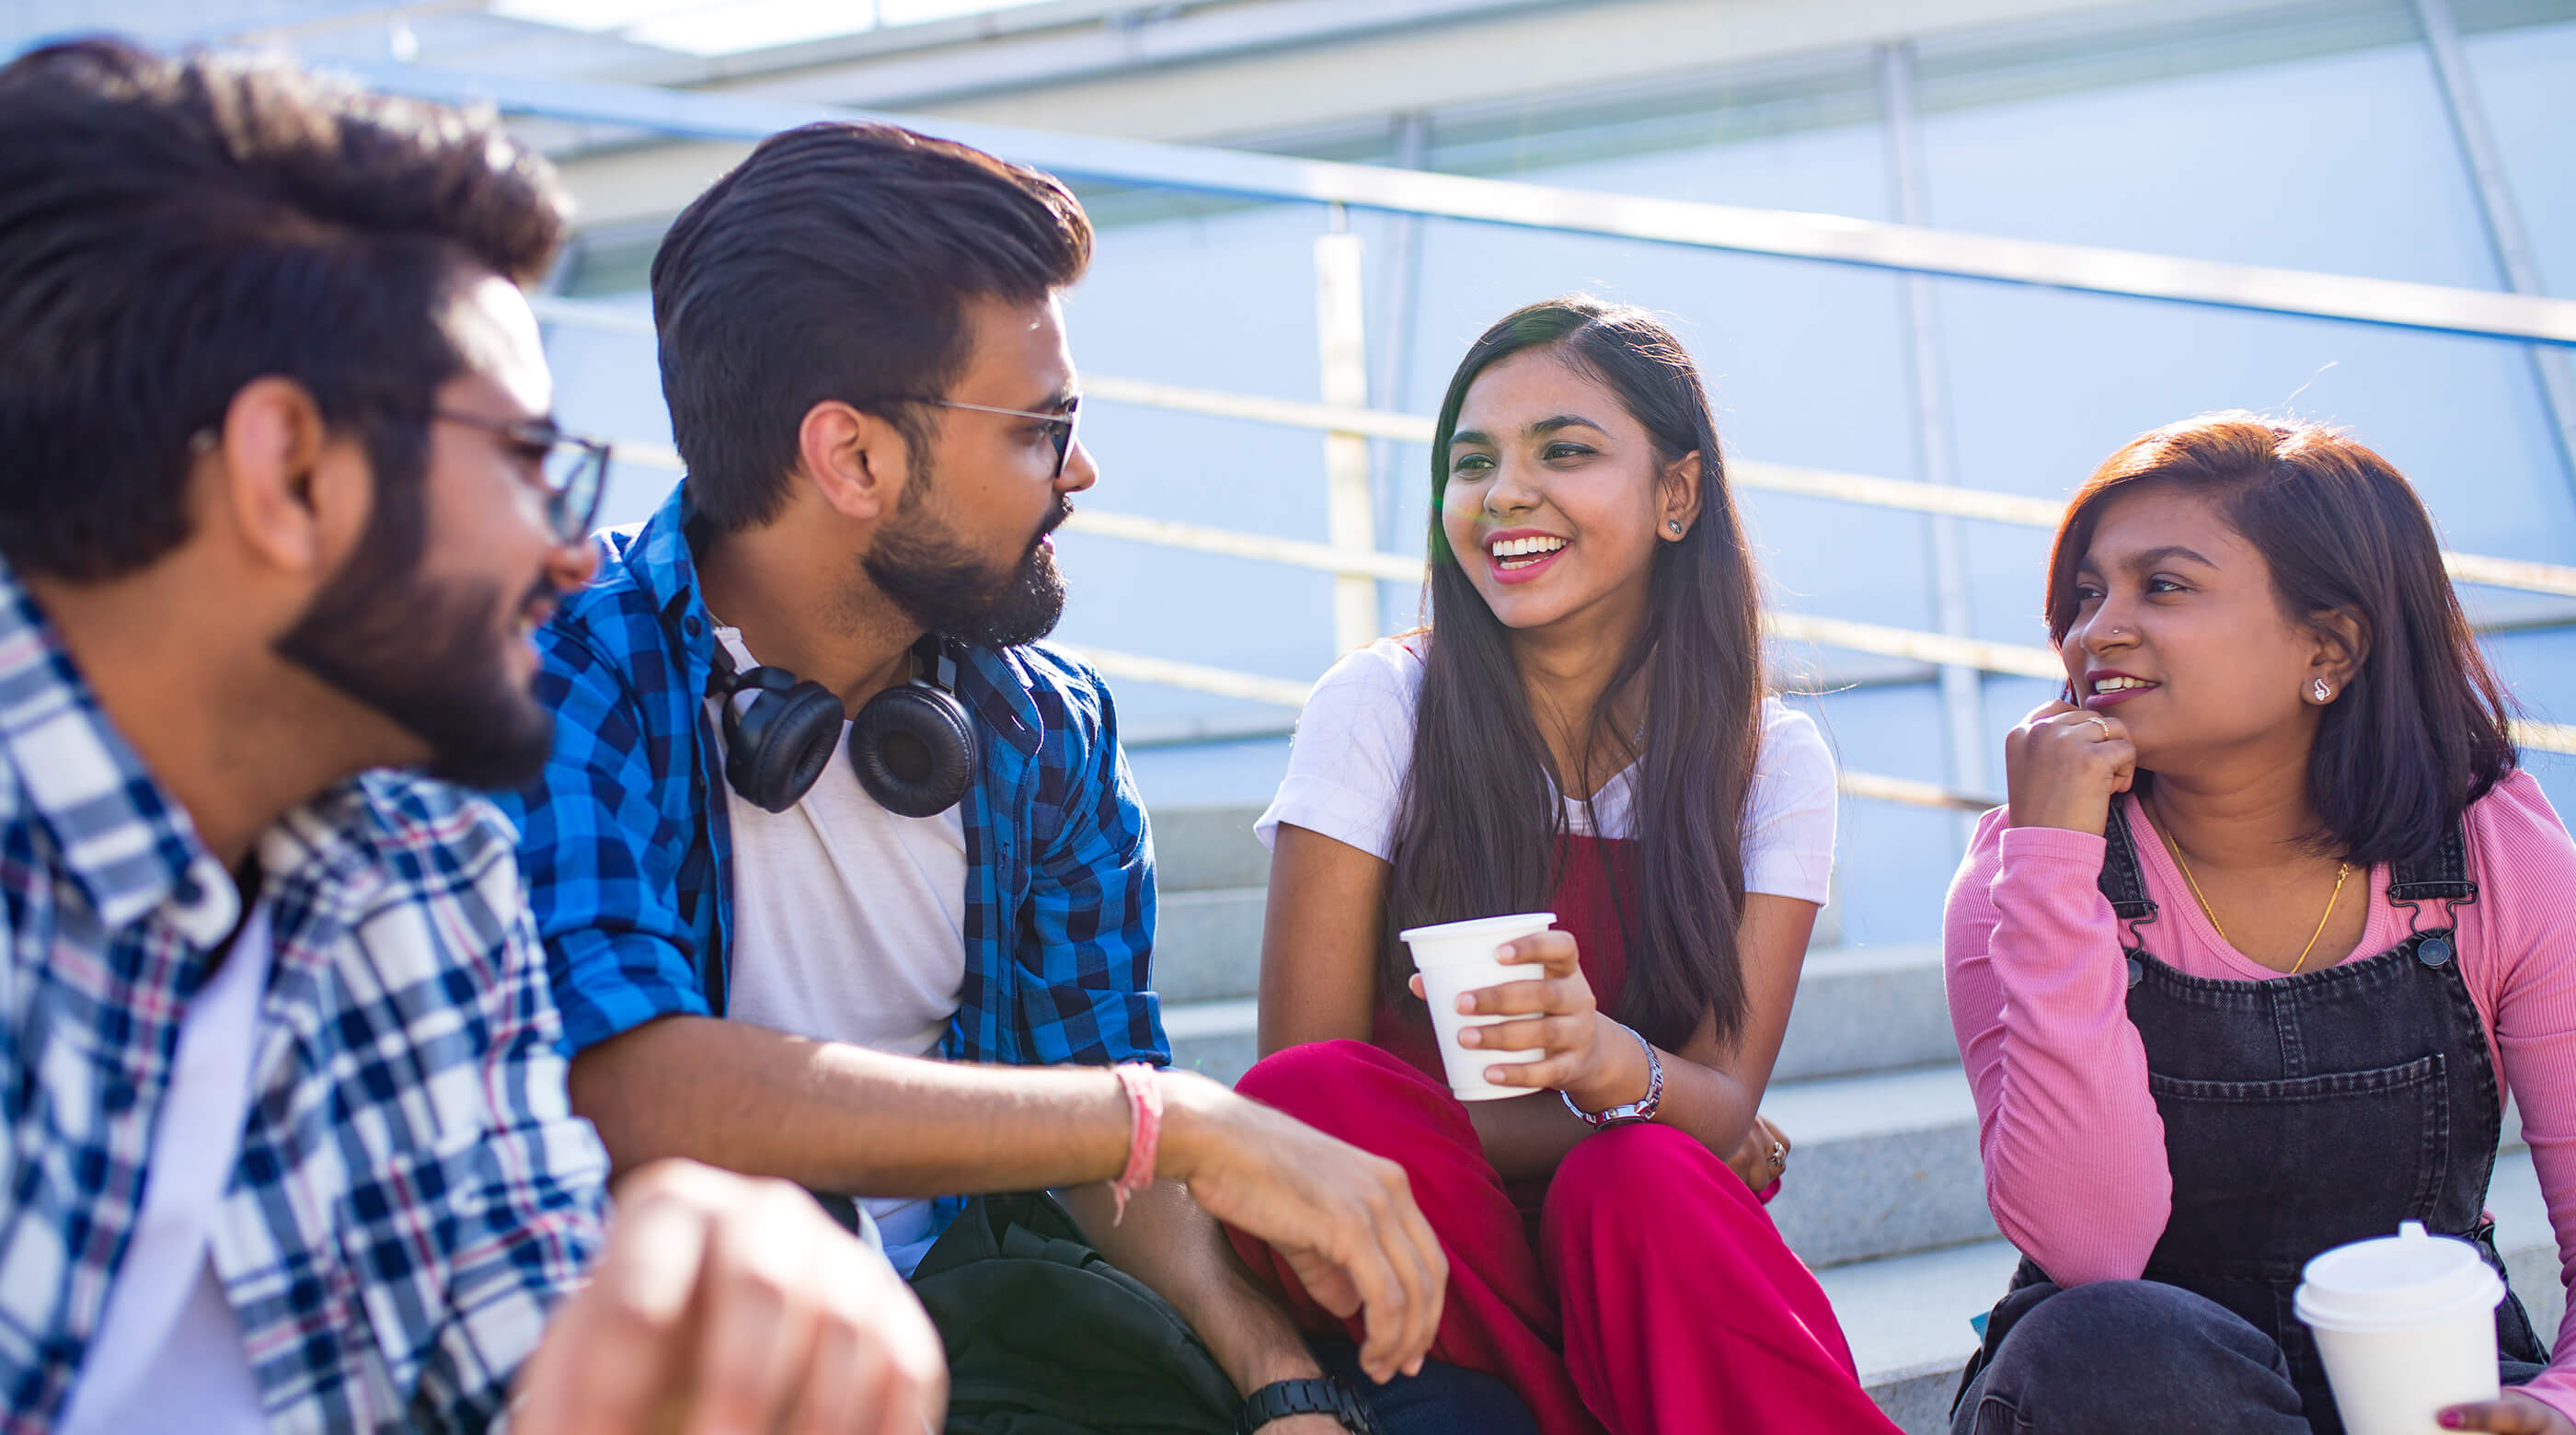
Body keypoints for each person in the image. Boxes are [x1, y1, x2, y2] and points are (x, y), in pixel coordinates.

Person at [0, 38, 943, 1435]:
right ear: (292, 473)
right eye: (524, 462)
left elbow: (517, 1389)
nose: (575, 552)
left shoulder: (427, 873)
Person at [497, 119, 1472, 1435]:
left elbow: (1103, 1142)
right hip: (672, 1356)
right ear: (850, 458)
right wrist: (1168, 1117)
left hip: (977, 1331)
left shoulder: (1047, 725)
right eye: (1039, 429)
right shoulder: (571, 663)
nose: (1081, 470)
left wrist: (1277, 1382)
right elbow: (636, 1083)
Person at [1239, 295, 1903, 1435]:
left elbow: (1724, 1100)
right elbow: (1306, 1098)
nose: (1503, 494)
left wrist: (1605, 1064)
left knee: (1633, 1187)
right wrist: (1660, 1109)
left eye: (1565, 451)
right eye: (1471, 462)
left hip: (1652, 1244)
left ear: (1677, 494)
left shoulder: (1770, 762)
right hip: (1419, 1230)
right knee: (1308, 1102)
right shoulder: (1380, 705)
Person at [1946, 414, 2576, 1435]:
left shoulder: (2495, 850)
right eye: (2084, 594)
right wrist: (2056, 868)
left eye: (2163, 585)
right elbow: (2089, 1249)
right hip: (2141, 1395)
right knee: (2106, 1346)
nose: (2093, 631)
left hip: (2421, 1379)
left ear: (2327, 644)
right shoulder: (2024, 873)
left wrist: (2554, 1406)